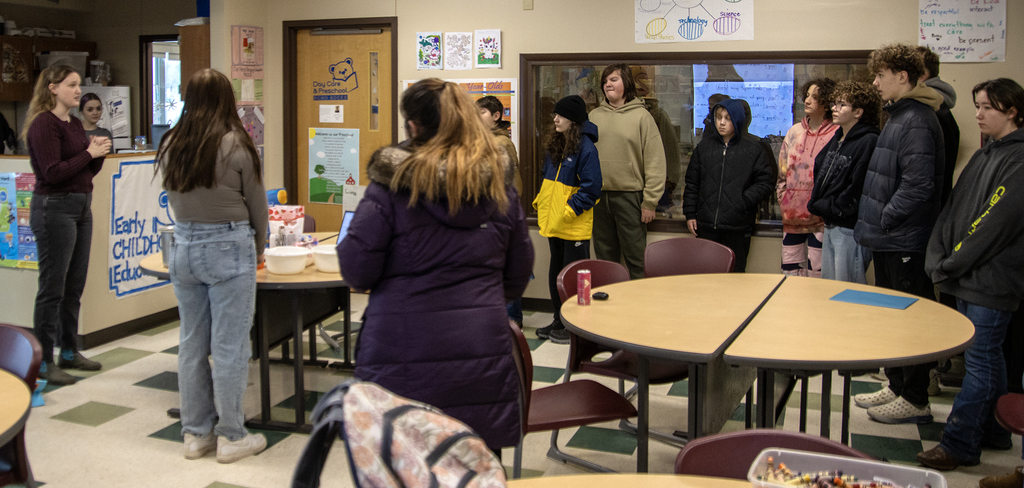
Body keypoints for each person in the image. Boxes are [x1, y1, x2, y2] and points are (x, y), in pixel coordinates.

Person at [337, 78, 533, 453]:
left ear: (413, 126)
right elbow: (518, 274)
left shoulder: (390, 187)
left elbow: (357, 269)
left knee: (402, 463)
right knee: (473, 466)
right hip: (480, 347)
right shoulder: (499, 188)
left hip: (399, 347)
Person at [157, 68, 269, 463]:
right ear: (227, 99)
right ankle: (232, 436)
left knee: (191, 343)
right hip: (228, 245)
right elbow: (258, 205)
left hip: (183, 245)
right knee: (229, 345)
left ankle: (196, 434)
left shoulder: (171, 141)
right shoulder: (236, 142)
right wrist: (261, 246)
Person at [916, 78, 1024, 472]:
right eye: (977, 105)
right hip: (964, 276)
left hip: (991, 282)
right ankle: (995, 431)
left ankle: (959, 443)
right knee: (989, 359)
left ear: (1012, 111)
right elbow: (954, 209)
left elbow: (995, 225)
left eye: (987, 107)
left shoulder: (1019, 160)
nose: (977, 114)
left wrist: (950, 264)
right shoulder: (986, 154)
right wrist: (939, 256)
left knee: (980, 363)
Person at [852, 43, 946, 424]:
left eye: (880, 75)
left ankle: (915, 397)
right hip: (888, 238)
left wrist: (886, 218)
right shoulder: (899, 115)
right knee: (891, 319)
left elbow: (919, 185)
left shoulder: (918, 120)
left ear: (902, 76)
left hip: (903, 239)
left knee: (910, 321)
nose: (875, 83)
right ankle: (895, 384)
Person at [23, 65, 112, 386]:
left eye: (78, 85)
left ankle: (69, 351)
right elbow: (53, 173)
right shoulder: (43, 125)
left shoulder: (74, 124)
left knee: (74, 285)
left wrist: (97, 154)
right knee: (52, 288)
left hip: (80, 206)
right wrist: (89, 151)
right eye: (72, 85)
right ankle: (44, 360)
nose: (78, 90)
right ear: (52, 88)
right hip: (54, 210)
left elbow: (83, 174)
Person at [533, 95, 602, 343]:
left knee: (575, 277)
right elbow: (547, 181)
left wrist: (568, 212)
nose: (555, 119)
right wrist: (541, 202)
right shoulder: (557, 144)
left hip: (573, 226)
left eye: (559, 115)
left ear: (572, 119)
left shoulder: (586, 148)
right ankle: (559, 319)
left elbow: (592, 190)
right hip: (554, 224)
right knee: (556, 274)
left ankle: (578, 326)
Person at [588, 63, 666, 280]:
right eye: (605, 81)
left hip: (630, 197)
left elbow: (655, 162)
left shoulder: (642, 117)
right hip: (599, 198)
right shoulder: (594, 116)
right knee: (605, 259)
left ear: (627, 84)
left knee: (636, 259)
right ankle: (608, 308)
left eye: (613, 80)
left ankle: (638, 309)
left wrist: (650, 201)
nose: (607, 84)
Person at [683, 98, 773, 272]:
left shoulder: (753, 149)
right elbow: (692, 183)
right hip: (707, 225)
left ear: (737, 119)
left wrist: (743, 201)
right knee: (706, 275)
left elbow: (765, 182)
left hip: (738, 225)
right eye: (718, 117)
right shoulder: (704, 148)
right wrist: (690, 214)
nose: (721, 122)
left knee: (735, 276)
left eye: (727, 118)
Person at [807, 81, 882, 284]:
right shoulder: (839, 136)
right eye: (834, 103)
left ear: (858, 111)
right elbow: (822, 172)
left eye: (841, 104)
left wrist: (833, 207)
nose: (834, 108)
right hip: (831, 223)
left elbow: (859, 187)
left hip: (850, 227)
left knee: (848, 289)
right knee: (830, 287)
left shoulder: (869, 141)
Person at [777, 79, 839, 277]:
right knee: (789, 273)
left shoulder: (836, 133)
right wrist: (784, 201)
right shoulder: (794, 132)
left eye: (815, 96)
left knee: (818, 274)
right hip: (792, 217)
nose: (808, 100)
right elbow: (782, 173)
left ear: (827, 102)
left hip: (821, 219)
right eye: (807, 96)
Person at [477, 95, 527, 327]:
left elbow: (512, 183)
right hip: (487, 214)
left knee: (505, 266)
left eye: (482, 113)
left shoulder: (500, 144)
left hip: (499, 212)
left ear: (496, 117)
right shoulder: (484, 141)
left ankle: (512, 318)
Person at [915, 46, 961, 207]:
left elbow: (926, 176)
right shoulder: (927, 108)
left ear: (922, 76)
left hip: (925, 210)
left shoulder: (932, 112)